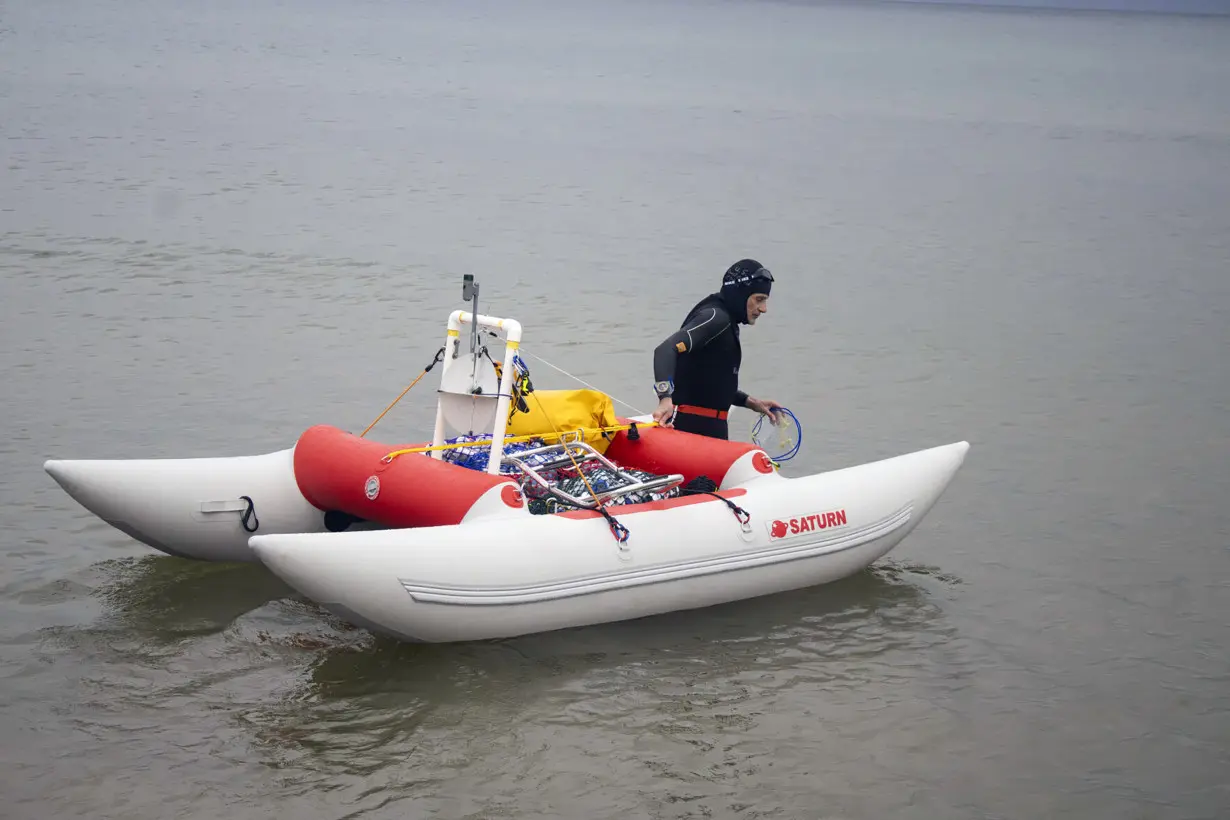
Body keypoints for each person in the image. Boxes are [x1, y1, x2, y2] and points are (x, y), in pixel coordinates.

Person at [650, 258, 784, 439]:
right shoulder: (715, 318)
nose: (763, 309)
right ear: (740, 293)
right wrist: (665, 398)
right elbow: (665, 350)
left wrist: (751, 402)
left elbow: (709, 382)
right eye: (759, 299)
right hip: (690, 431)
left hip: (709, 432)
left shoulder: (726, 322)